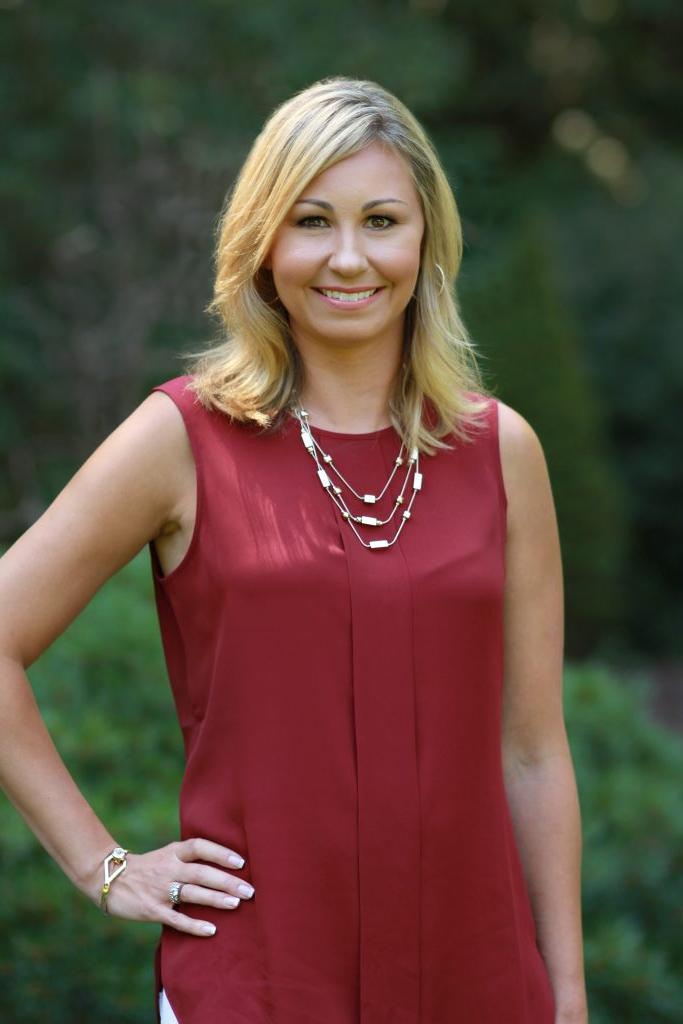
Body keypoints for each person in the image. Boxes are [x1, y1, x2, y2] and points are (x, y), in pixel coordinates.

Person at [0, 76, 588, 1024]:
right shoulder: (181, 440)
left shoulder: (501, 451)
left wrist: (565, 996)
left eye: (382, 220)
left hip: (479, 989)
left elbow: (529, 749)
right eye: (311, 220)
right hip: (256, 989)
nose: (348, 257)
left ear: (427, 241)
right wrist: (102, 864)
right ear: (263, 245)